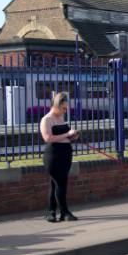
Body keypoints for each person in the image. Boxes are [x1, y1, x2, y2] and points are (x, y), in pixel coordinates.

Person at [40, 92, 79, 222]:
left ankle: (51, 212)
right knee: (61, 184)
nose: (65, 111)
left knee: (54, 184)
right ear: (55, 107)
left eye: (66, 108)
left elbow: (63, 135)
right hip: (54, 155)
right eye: (63, 108)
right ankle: (64, 212)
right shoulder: (47, 119)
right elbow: (48, 138)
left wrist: (72, 136)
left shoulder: (61, 118)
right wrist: (67, 133)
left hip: (65, 153)